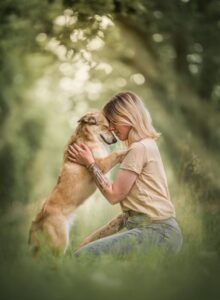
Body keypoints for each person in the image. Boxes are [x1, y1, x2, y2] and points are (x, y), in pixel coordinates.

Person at [68, 91, 183, 258]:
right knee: (83, 254)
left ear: (128, 117)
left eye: (114, 122)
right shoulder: (146, 145)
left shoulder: (139, 148)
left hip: (158, 233)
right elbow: (128, 216)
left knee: (83, 258)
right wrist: (88, 241)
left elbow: (113, 195)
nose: (112, 129)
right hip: (161, 232)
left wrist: (90, 163)